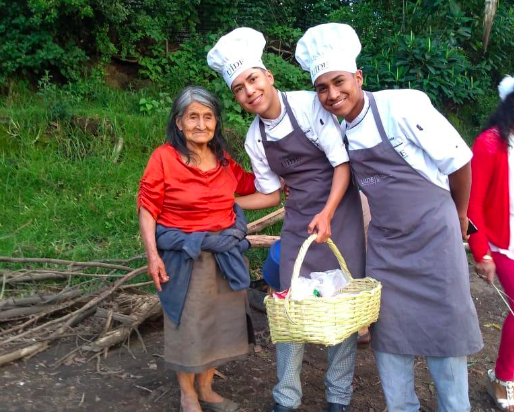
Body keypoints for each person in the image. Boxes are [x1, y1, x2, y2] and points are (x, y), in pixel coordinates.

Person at [295, 23, 483, 412]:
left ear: (358, 77)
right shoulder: (338, 129)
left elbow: (460, 161)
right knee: (390, 343)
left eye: (339, 82)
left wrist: (460, 215)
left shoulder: (402, 106)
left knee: (446, 342)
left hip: (435, 239)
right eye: (322, 89)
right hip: (386, 248)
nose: (332, 94)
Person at [207, 27, 366, 412]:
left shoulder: (310, 105)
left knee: (340, 311)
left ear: (268, 77)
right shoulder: (254, 138)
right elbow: (270, 194)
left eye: (253, 79)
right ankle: (286, 398)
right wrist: (220, 197)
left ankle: (339, 398)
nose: (249, 91)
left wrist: (327, 213)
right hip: (298, 226)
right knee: (289, 310)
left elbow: (342, 165)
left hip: (339, 218)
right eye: (239, 89)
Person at [137, 86, 267, 412]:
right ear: (179, 122)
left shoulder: (223, 160)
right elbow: (148, 207)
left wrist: (291, 175)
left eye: (208, 117)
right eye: (193, 116)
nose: (201, 124)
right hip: (185, 257)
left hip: (223, 254)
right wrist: (153, 256)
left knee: (221, 325)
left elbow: (256, 187)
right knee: (188, 325)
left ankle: (207, 389)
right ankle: (188, 394)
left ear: (215, 123)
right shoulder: (163, 158)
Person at [468, 75, 514, 411]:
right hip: (503, 243)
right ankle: (502, 379)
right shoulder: (489, 144)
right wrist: (481, 252)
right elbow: (472, 205)